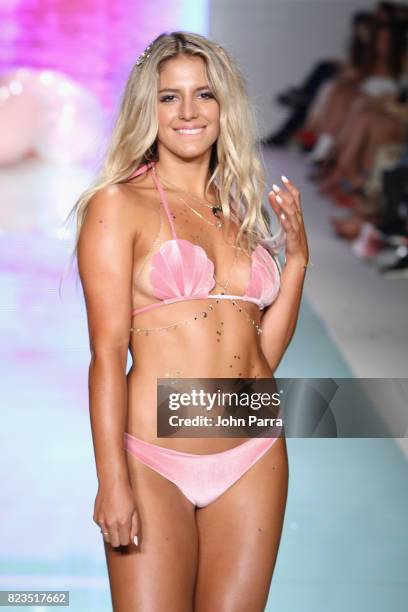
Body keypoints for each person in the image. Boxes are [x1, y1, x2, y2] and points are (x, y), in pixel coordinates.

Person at [67, 31, 310, 611]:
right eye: (169, 97)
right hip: (153, 462)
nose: (189, 112)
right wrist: (113, 480)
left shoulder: (238, 208)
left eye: (204, 94)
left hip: (253, 451)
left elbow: (261, 359)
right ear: (146, 109)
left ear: (225, 105)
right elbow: (106, 353)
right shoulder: (117, 205)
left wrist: (296, 262)